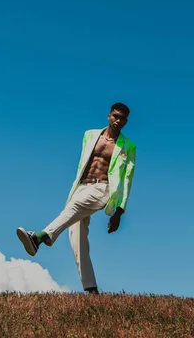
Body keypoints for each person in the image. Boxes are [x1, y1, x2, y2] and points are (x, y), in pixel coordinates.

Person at [16, 102, 136, 294]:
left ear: (126, 122)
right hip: (81, 187)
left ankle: (39, 238)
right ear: (108, 116)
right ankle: (91, 289)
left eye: (122, 118)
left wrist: (119, 211)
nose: (118, 120)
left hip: (104, 188)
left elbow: (127, 179)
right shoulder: (90, 135)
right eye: (115, 116)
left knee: (75, 206)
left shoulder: (128, 146)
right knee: (77, 238)